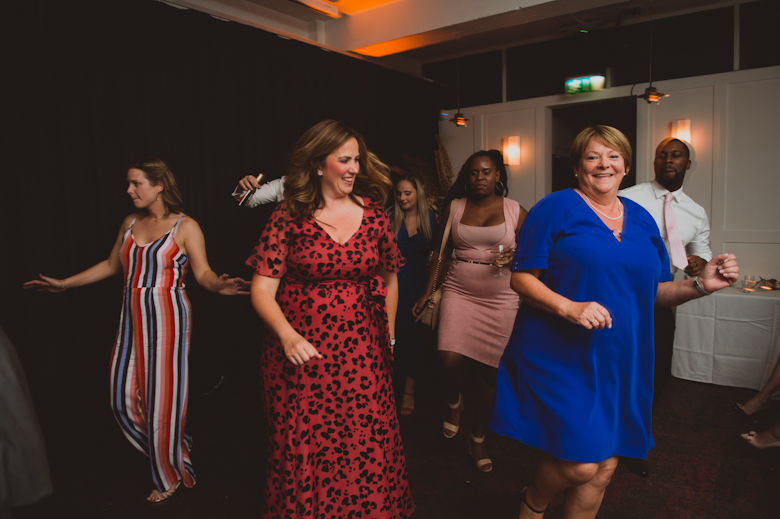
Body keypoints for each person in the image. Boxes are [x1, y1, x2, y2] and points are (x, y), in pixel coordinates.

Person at [489, 126, 739, 519]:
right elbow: (521, 278)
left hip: (621, 357)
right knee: (581, 463)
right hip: (561, 352)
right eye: (592, 157)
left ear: (625, 166)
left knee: (604, 470)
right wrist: (569, 307)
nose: (603, 164)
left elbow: (654, 292)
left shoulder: (640, 219)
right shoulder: (554, 208)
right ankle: (532, 503)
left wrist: (700, 286)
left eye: (613, 156)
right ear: (577, 167)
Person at [23, 157, 249, 503]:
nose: (129, 191)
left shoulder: (186, 227)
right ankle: (175, 445)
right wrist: (64, 284)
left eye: (136, 184)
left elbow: (203, 272)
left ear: (159, 186)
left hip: (169, 317)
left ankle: (171, 475)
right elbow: (113, 264)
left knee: (163, 402)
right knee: (121, 399)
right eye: (129, 184)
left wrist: (218, 286)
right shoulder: (130, 222)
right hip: (131, 319)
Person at [246, 120, 414, 518]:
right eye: (345, 160)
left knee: (362, 440)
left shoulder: (374, 215)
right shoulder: (289, 216)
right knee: (306, 444)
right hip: (304, 353)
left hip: (362, 350)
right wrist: (287, 337)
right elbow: (261, 290)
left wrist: (388, 334)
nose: (354, 168)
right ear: (319, 165)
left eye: (357, 159)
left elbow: (390, 277)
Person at [413, 149, 527, 473]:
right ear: (468, 177)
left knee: (488, 374)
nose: (480, 178)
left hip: (501, 299)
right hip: (458, 290)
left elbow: (536, 251)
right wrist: (428, 291)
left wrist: (517, 259)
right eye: (474, 172)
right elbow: (440, 252)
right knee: (448, 357)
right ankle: (453, 400)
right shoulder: (455, 207)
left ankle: (477, 437)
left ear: (498, 177)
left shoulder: (515, 210)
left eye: (486, 172)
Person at [618, 137, 712, 476]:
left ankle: (634, 438)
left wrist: (700, 262)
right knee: (617, 366)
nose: (668, 160)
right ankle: (605, 431)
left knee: (656, 375)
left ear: (688, 164)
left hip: (661, 299)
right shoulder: (628, 197)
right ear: (654, 162)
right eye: (662, 155)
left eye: (676, 155)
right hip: (619, 295)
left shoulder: (695, 212)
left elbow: (703, 252)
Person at [390, 172, 438, 416]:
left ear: (418, 193)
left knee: (414, 336)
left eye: (407, 193)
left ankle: (409, 389)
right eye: (398, 193)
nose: (402, 197)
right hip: (391, 284)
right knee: (391, 334)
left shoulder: (431, 219)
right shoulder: (390, 217)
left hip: (418, 285)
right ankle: (386, 389)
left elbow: (439, 257)